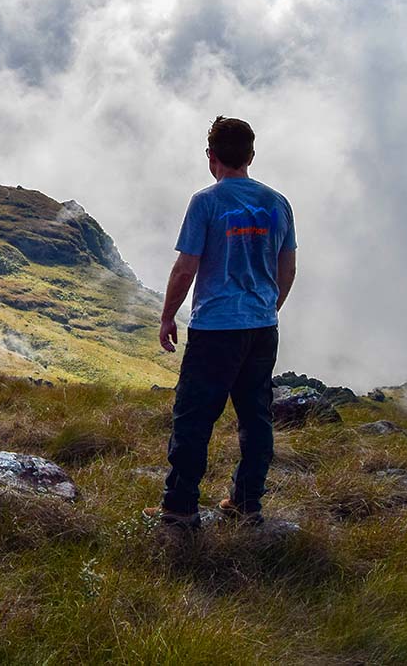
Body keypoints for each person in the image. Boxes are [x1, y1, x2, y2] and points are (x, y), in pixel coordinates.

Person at [144, 116, 297, 531]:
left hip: (215, 329)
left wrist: (167, 315)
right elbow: (288, 267)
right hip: (262, 328)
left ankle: (179, 509)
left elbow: (185, 267)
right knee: (255, 418)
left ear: (211, 157)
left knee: (193, 418)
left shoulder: (206, 202)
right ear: (250, 155)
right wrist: (269, 308)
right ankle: (246, 505)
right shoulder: (278, 203)